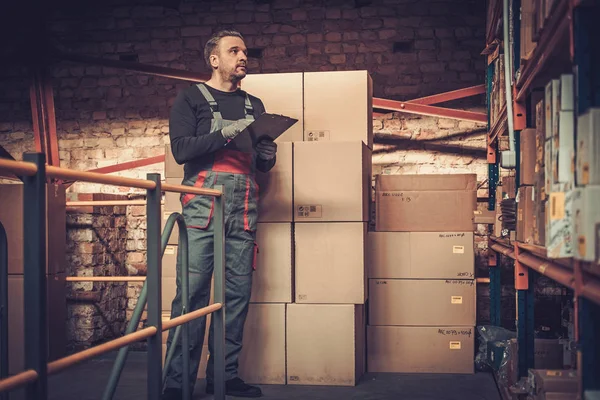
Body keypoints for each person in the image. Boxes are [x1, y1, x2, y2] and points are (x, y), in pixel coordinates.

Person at [162, 30, 276, 399]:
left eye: (245, 50)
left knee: (236, 296)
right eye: (234, 50)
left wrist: (266, 158)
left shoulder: (255, 105)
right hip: (202, 205)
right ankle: (176, 383)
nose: (243, 56)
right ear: (214, 59)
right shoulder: (191, 98)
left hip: (242, 206)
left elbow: (257, 162)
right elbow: (181, 150)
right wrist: (226, 133)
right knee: (191, 296)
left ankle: (223, 378)